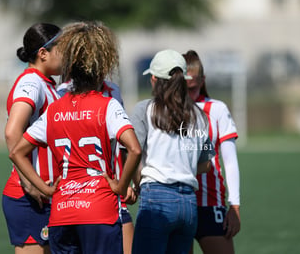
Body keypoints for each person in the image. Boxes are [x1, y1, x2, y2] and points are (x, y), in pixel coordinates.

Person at [9, 21, 142, 254]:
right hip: (99, 207)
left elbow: (16, 151)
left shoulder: (55, 108)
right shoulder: (107, 104)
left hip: (62, 209)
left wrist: (47, 189)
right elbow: (134, 149)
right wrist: (122, 186)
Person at [130, 49, 215, 254]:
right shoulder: (199, 115)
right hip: (188, 204)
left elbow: (133, 152)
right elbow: (206, 164)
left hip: (156, 198)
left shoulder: (145, 109)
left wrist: (135, 182)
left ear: (154, 79)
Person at [57, 78, 137, 254]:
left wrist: (124, 182)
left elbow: (124, 147)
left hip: (103, 194)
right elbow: (134, 148)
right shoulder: (61, 93)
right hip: (86, 196)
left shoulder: (113, 90)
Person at [1, 22, 62, 254]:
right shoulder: (31, 82)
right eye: (62, 48)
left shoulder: (49, 85)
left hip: (46, 194)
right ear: (43, 53)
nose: (67, 55)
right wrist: (30, 182)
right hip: (30, 198)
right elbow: (11, 132)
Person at [183, 50, 240, 254]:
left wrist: (235, 206)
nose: (189, 95)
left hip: (210, 203)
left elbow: (230, 161)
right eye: (184, 88)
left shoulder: (216, 109)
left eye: (193, 88)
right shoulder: (164, 110)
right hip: (178, 204)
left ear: (202, 81)